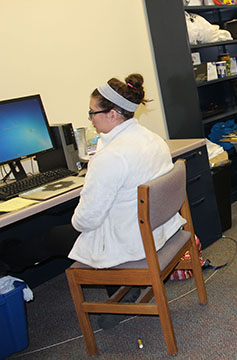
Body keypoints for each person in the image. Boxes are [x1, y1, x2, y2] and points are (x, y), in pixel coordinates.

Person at [0, 74, 184, 325]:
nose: (90, 120)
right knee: (61, 231)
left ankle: (7, 262)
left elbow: (85, 221)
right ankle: (119, 292)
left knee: (54, 235)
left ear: (113, 114)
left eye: (92, 113)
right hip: (159, 231)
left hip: (130, 242)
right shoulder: (152, 139)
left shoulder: (110, 156)